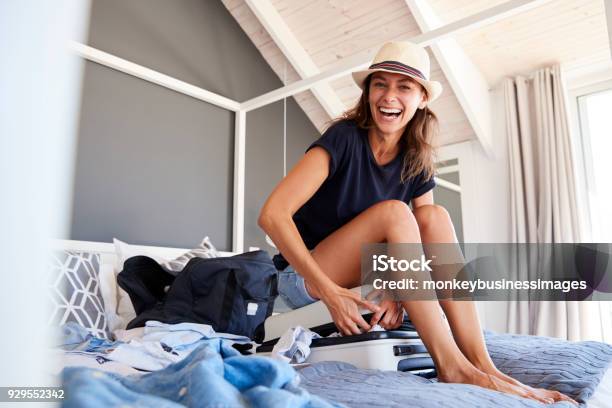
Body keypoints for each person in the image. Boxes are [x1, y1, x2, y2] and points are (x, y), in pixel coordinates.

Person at [258, 41, 576, 405]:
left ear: (422, 98)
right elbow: (272, 215)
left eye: (404, 87)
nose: (389, 96)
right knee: (395, 210)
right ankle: (451, 366)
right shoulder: (343, 139)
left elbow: (424, 239)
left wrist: (398, 289)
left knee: (434, 215)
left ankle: (481, 363)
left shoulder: (416, 159)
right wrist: (331, 295)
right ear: (368, 91)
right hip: (303, 277)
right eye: (380, 84)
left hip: (361, 272)